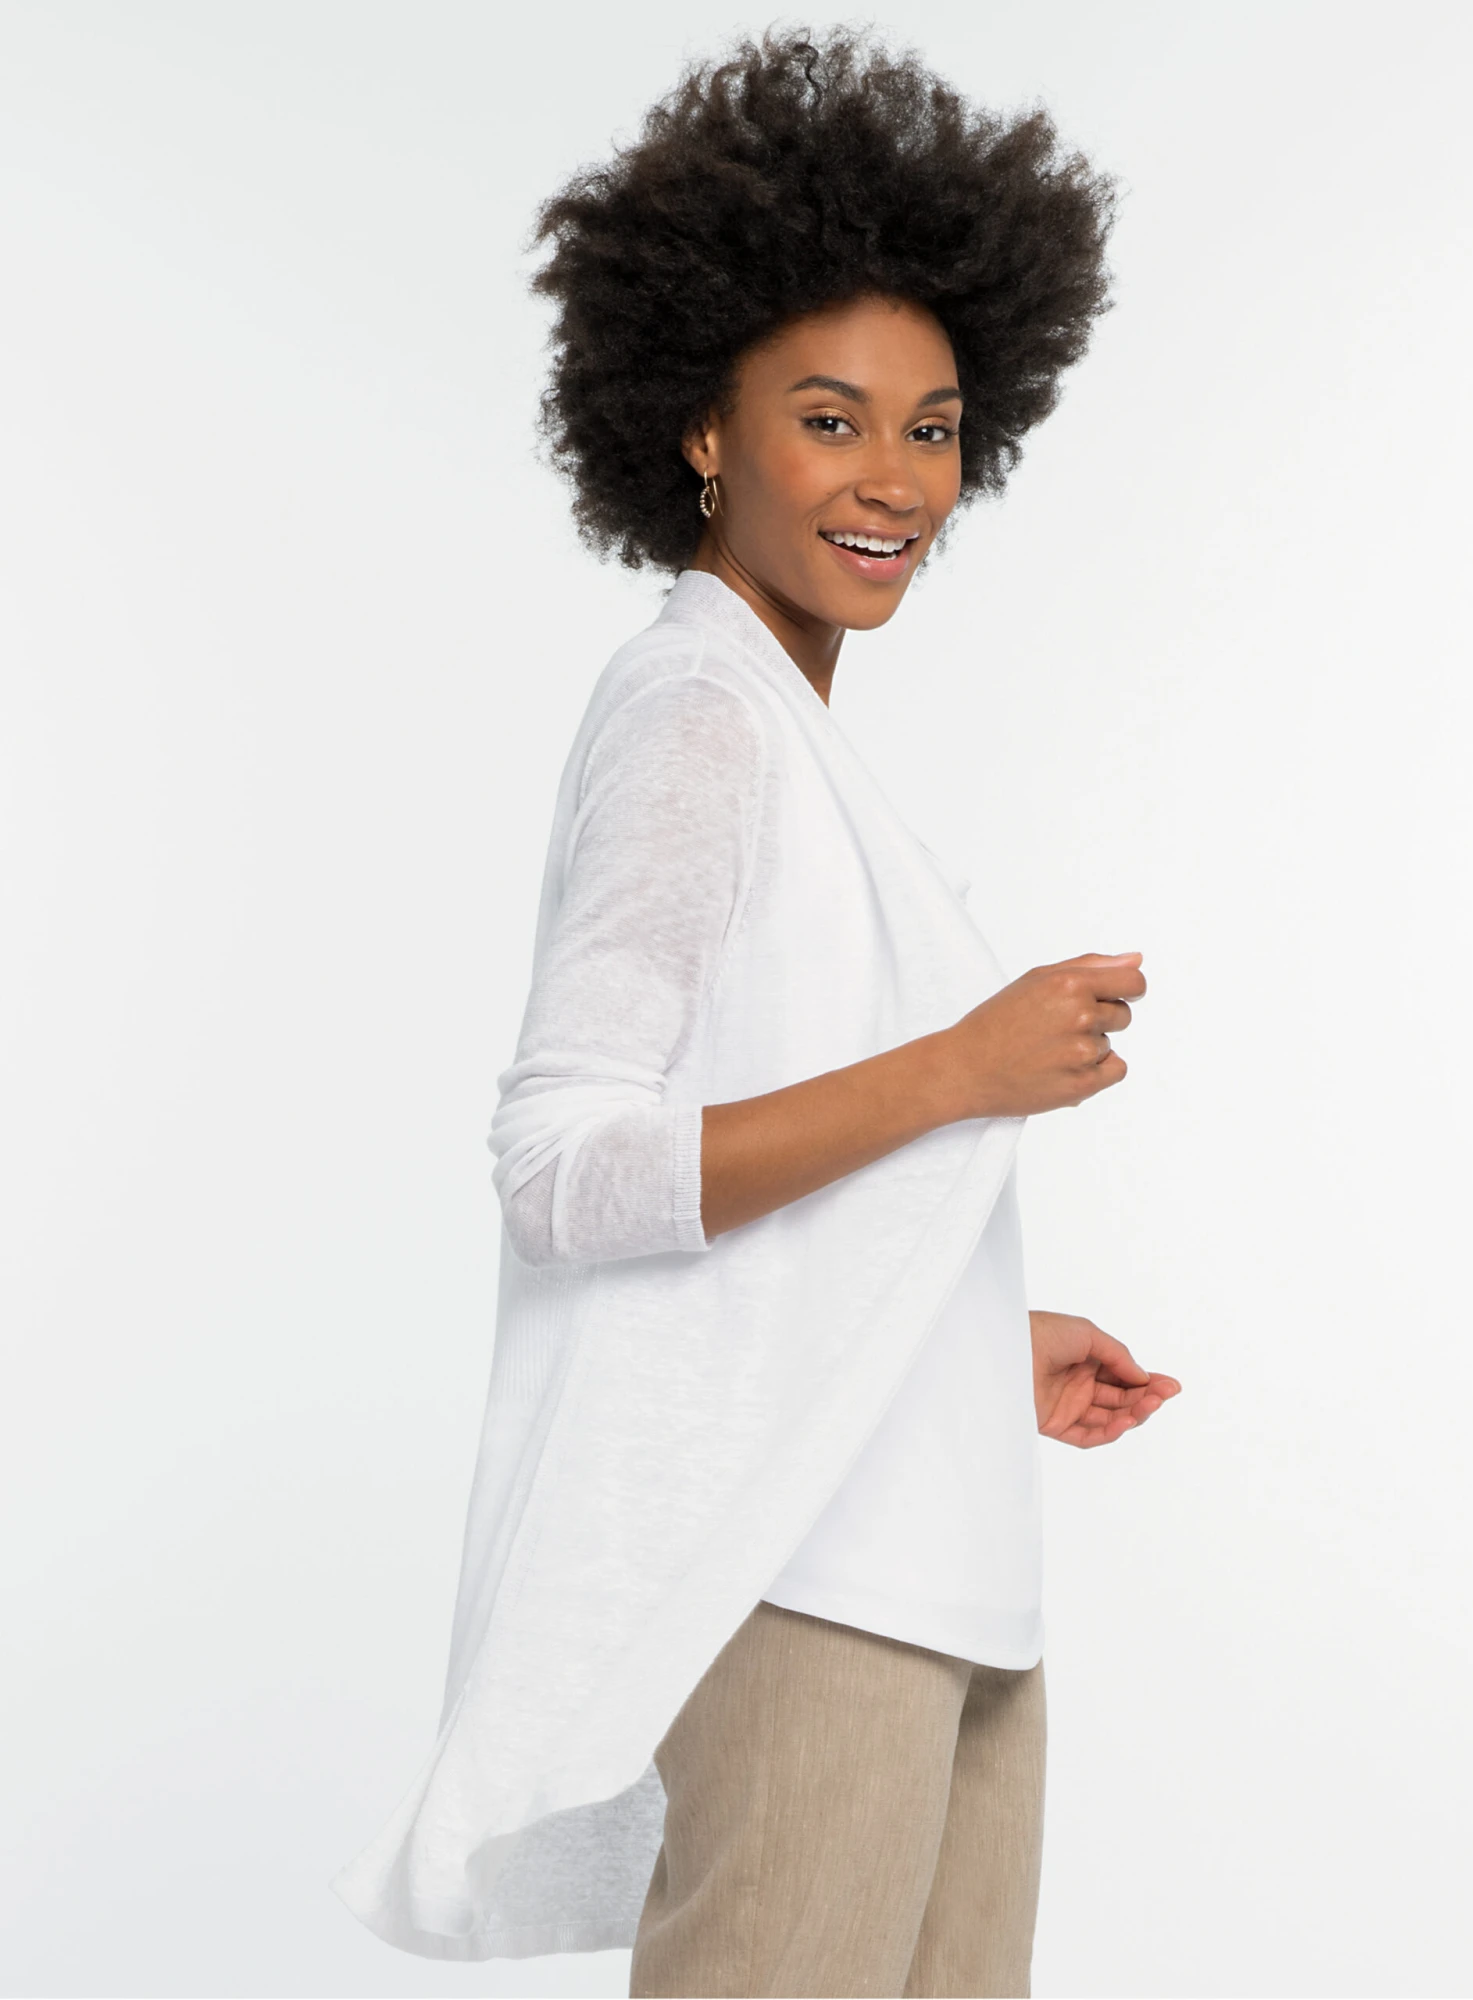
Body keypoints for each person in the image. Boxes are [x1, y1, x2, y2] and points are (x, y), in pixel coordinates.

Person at [332, 27, 1182, 1998]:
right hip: (802, 1581)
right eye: (828, 418)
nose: (895, 480)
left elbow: (754, 1175)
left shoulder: (797, 739)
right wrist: (963, 1069)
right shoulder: (697, 714)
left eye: (932, 427)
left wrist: (971, 1340)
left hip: (944, 1572)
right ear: (701, 430)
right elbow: (563, 1164)